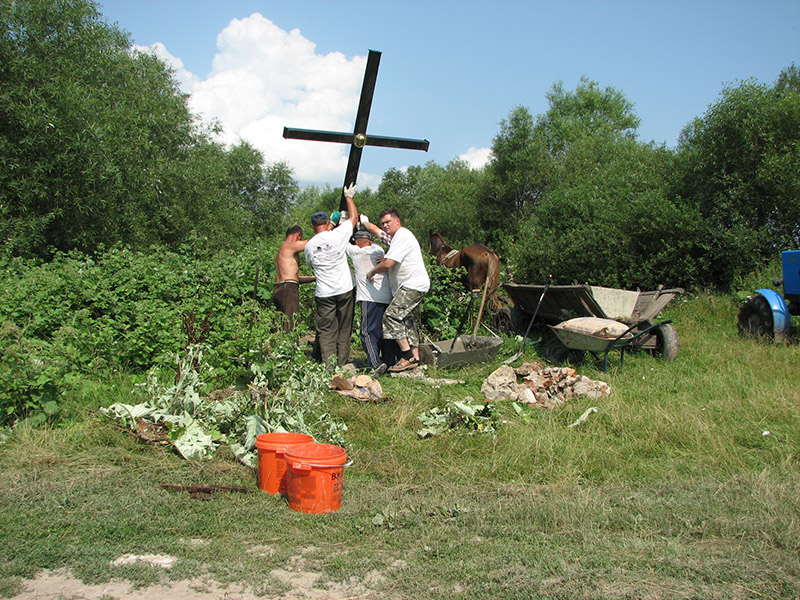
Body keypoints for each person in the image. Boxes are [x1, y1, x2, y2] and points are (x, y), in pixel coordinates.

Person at [366, 209, 430, 372]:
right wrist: (364, 222)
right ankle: (415, 359)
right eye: (383, 223)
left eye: (388, 222)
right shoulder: (394, 239)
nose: (385, 225)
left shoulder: (402, 235)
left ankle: (407, 356)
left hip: (412, 285)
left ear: (397, 221)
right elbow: (377, 231)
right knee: (408, 321)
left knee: (391, 316)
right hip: (414, 285)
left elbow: (388, 264)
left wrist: (373, 271)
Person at [304, 184, 359, 368]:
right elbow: (353, 218)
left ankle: (329, 366)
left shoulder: (310, 246)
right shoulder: (338, 235)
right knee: (344, 327)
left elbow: (311, 265)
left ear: (313, 226)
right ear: (327, 222)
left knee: (326, 330)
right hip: (345, 289)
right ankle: (341, 364)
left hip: (324, 293)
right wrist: (349, 197)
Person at [346, 230, 395, 376]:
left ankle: (375, 364)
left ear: (356, 242)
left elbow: (342, 241)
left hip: (369, 298)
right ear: (370, 241)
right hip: (387, 297)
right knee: (386, 331)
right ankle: (389, 362)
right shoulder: (379, 250)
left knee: (367, 332)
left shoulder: (356, 252)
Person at [273, 225, 315, 332]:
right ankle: (292, 347)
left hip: (279, 288)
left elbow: (296, 278)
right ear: (298, 235)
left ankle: (282, 346)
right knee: (291, 323)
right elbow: (312, 242)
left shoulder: (283, 250)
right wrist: (328, 229)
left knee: (282, 324)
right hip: (288, 289)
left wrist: (315, 277)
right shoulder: (289, 245)